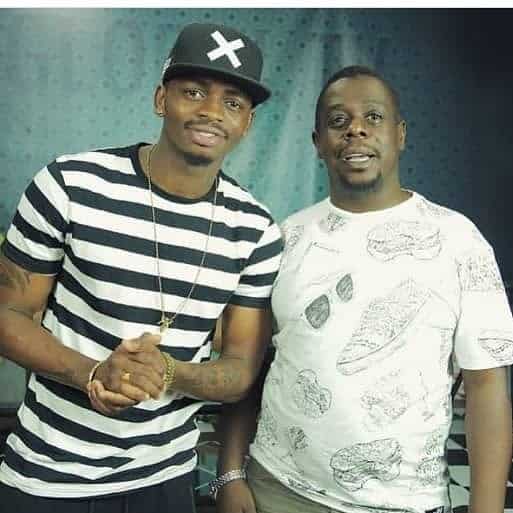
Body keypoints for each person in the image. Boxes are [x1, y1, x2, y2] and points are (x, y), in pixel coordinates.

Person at [0, 22, 282, 513]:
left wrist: (169, 372)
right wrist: (91, 373)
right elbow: (7, 314)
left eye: (233, 102)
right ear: (160, 99)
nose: (212, 112)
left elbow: (240, 370)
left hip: (166, 481)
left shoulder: (255, 230)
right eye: (194, 91)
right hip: (49, 477)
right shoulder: (70, 185)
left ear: (247, 124)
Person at [215, 66, 513, 513]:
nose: (355, 129)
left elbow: (487, 386)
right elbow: (251, 365)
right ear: (318, 142)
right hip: (277, 488)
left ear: (400, 135)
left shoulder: (459, 241)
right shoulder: (286, 238)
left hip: (405, 502)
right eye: (338, 120)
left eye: (373, 117)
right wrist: (230, 472)